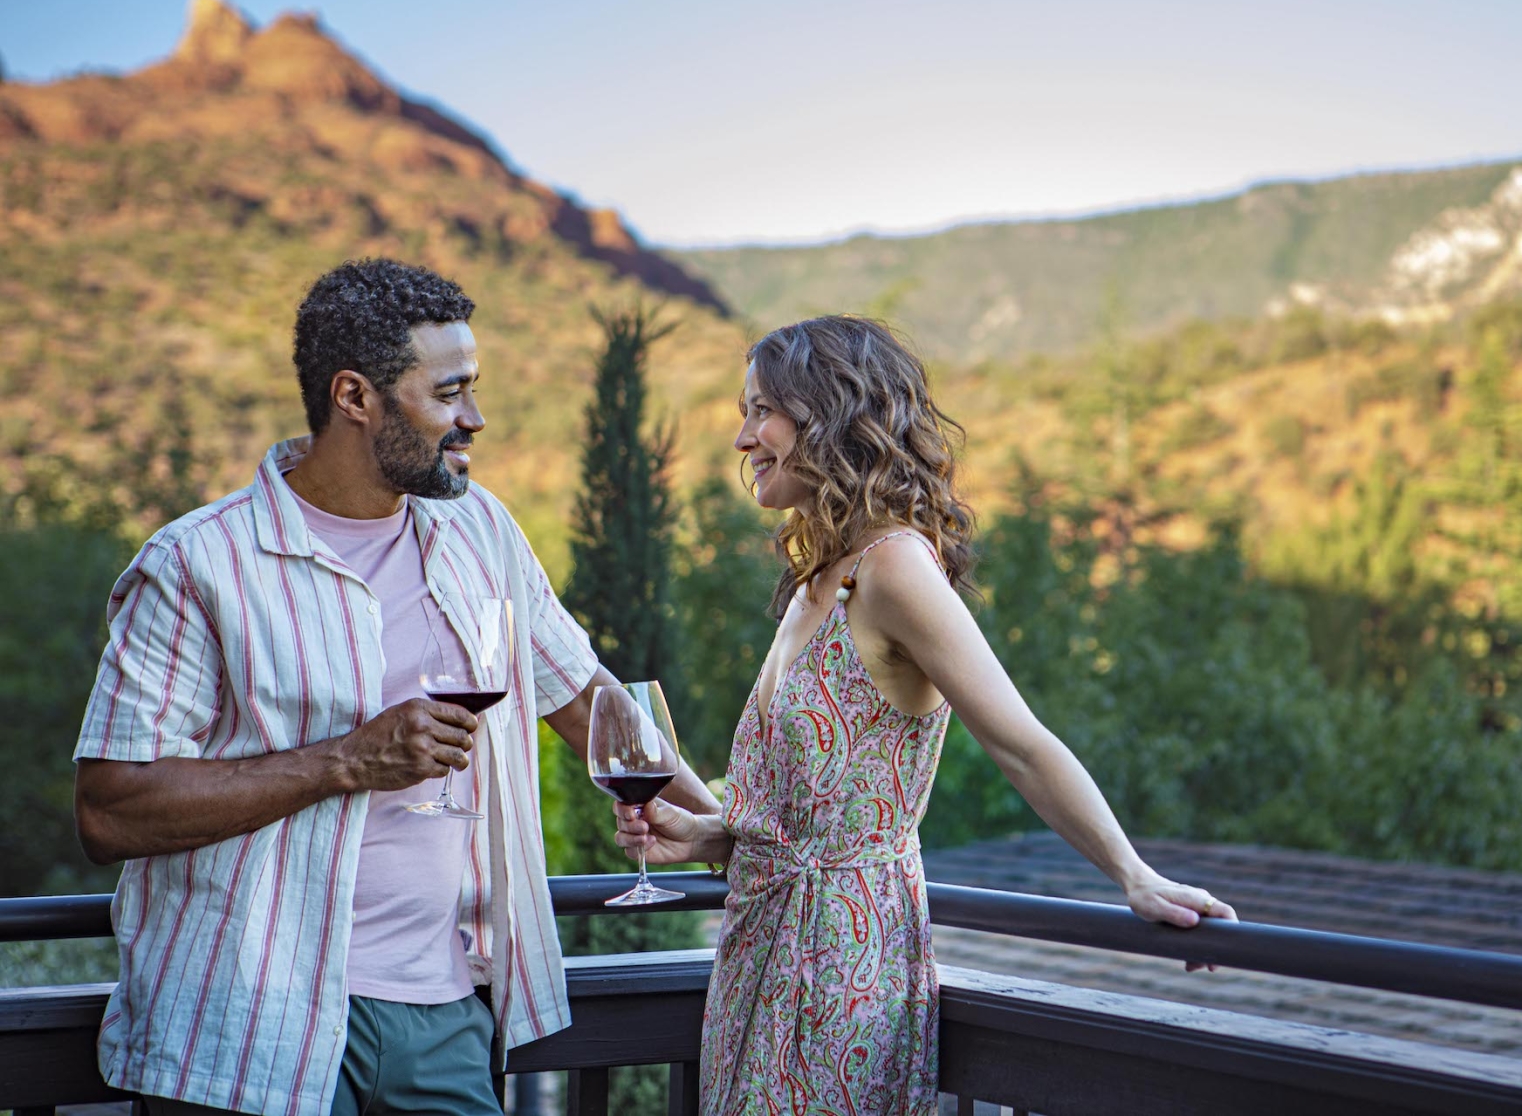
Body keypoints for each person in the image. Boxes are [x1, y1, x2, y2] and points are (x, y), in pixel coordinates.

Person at [71, 259, 719, 1116]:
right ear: (354, 397)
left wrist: (717, 833)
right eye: (449, 394)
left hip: (443, 1015)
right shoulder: (197, 563)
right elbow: (109, 809)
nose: (475, 419)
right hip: (248, 1023)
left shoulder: (479, 528)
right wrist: (347, 760)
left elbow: (587, 698)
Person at [618, 314, 1236, 1115]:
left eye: (759, 410)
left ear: (828, 413)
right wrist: (711, 835)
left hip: (842, 967)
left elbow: (1019, 743)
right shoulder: (819, 579)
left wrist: (1134, 874)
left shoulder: (896, 569)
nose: (742, 438)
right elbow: (812, 806)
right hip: (757, 956)